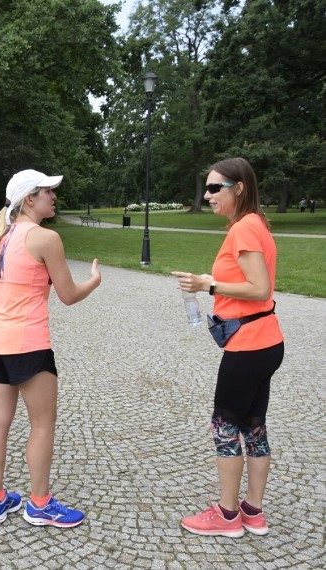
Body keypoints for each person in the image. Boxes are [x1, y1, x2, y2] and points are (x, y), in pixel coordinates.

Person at [0, 169, 101, 527]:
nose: (54, 196)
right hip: (30, 345)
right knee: (42, 425)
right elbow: (68, 295)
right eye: (48, 191)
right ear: (29, 198)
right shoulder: (45, 238)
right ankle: (39, 504)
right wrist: (93, 281)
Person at [173, 157, 284, 538]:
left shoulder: (245, 229)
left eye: (214, 188)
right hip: (264, 341)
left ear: (239, 188)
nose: (206, 196)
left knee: (224, 426)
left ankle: (226, 514)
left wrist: (209, 286)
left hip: (250, 346)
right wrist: (208, 280)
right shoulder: (254, 224)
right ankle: (253, 512)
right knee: (253, 428)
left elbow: (259, 288)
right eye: (206, 188)